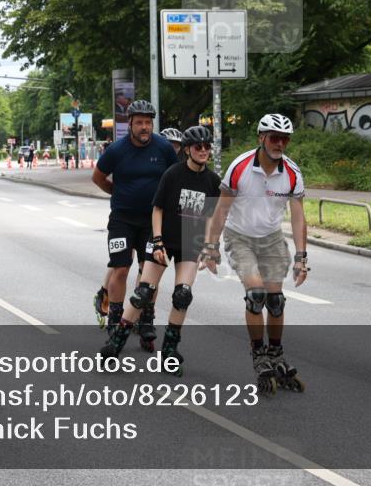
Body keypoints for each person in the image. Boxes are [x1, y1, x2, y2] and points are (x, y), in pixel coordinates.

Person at [200, 113, 308, 394]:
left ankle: (276, 353)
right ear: (262, 138)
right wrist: (211, 248)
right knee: (256, 294)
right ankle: (259, 354)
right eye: (274, 138)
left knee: (276, 301)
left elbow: (298, 218)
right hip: (240, 237)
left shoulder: (292, 173)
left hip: (271, 239)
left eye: (285, 139)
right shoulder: (240, 167)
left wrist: (302, 256)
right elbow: (221, 210)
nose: (280, 144)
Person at [101, 126, 219, 374]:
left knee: (182, 295)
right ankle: (115, 344)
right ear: (187, 149)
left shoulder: (212, 180)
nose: (203, 151)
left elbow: (211, 217)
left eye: (207, 147)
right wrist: (157, 241)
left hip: (189, 240)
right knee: (143, 293)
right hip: (163, 238)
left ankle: (169, 351)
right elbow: (157, 209)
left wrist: (209, 246)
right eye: (199, 147)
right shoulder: (173, 174)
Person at [91, 100, 178, 346]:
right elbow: (97, 177)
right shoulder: (117, 150)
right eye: (139, 122)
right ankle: (115, 321)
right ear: (129, 124)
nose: (144, 127)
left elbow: (174, 178)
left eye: (148, 123)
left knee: (149, 272)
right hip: (122, 219)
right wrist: (117, 193)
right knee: (120, 269)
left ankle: (146, 321)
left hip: (152, 221)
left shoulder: (163, 148)